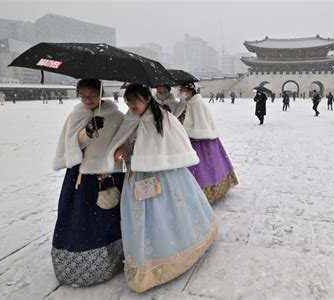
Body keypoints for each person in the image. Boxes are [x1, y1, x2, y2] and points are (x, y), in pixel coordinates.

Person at [107, 84, 218, 292]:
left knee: (167, 212)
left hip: (164, 176)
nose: (132, 106)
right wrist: (123, 150)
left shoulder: (163, 118)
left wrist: (155, 157)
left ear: (148, 99)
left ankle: (172, 253)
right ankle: (145, 260)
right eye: (129, 102)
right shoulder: (131, 118)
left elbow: (171, 144)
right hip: (137, 176)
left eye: (136, 101)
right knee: (143, 217)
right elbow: (128, 144)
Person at [51, 79, 125, 287]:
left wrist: (114, 161)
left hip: (109, 175)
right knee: (81, 220)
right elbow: (71, 146)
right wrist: (87, 133)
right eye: (82, 95)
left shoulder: (116, 116)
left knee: (109, 218)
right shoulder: (77, 115)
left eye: (92, 95)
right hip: (83, 178)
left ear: (101, 93)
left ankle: (115, 259)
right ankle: (81, 267)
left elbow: (122, 143)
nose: (87, 100)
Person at [180, 82, 239, 203]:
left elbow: (198, 121)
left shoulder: (196, 103)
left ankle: (206, 189)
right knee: (213, 164)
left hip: (200, 139)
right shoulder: (191, 103)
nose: (181, 93)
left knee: (203, 167)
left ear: (190, 91)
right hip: (201, 137)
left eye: (183, 90)